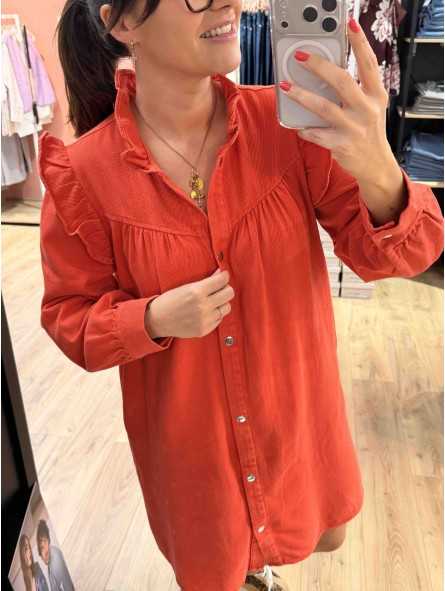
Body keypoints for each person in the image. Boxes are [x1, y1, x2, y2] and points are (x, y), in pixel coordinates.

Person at [38, 0, 444, 590]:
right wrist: (150, 319)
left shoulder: (290, 129)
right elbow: (69, 319)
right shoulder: (83, 175)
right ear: (123, 23)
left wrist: (379, 169)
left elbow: (402, 255)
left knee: (318, 534)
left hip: (297, 436)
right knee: (216, 562)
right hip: (195, 465)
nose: (227, 2)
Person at [36, 520, 74, 591]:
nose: (45, 551)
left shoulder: (55, 559)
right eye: (41, 548)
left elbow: (67, 586)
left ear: (48, 540)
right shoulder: (51, 558)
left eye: (45, 541)